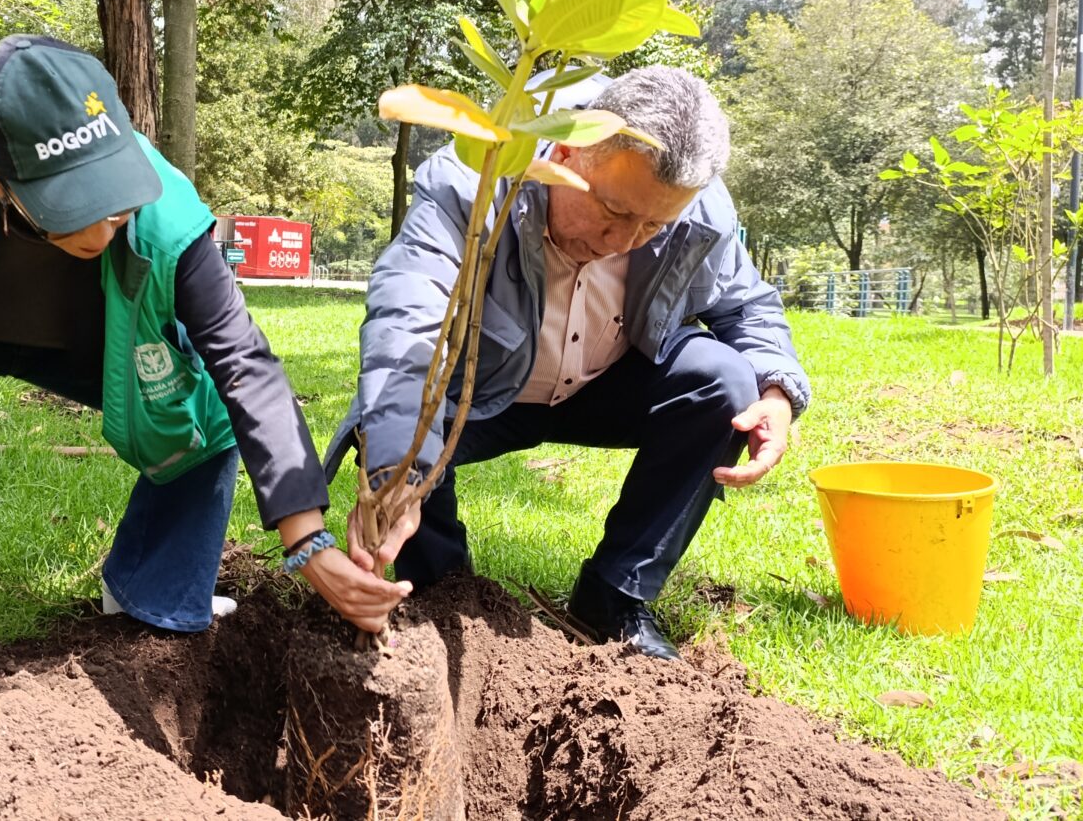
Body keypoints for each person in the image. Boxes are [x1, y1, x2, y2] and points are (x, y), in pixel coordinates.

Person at [0, 35, 409, 680]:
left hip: (101, 345)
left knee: (208, 404)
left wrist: (309, 543)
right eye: (75, 206)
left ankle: (149, 585)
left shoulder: (169, 222)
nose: (106, 227)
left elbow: (245, 367)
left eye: (113, 195)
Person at [325, 66, 809, 660]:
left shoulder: (696, 209)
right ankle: (443, 589)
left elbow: (748, 304)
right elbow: (408, 322)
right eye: (611, 209)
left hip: (605, 385)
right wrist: (397, 473)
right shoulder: (478, 179)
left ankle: (614, 594)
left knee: (727, 384)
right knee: (404, 411)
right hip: (480, 391)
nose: (625, 240)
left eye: (654, 225)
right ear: (567, 152)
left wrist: (779, 392)